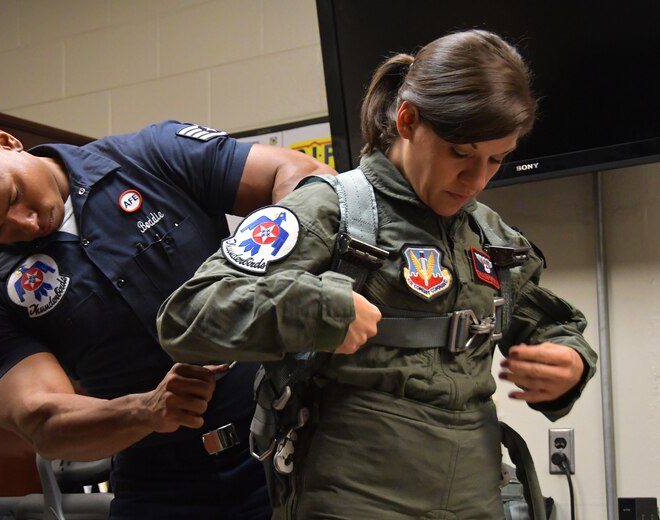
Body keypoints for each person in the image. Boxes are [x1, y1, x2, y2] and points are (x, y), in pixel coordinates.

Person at [157, 30, 598, 520]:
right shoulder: (330, 209)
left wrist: (569, 361)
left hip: (476, 490)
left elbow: (550, 322)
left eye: (495, 159)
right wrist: (312, 309)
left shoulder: (491, 237)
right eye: (461, 154)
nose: (476, 180)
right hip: (354, 491)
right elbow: (187, 316)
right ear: (407, 120)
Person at [0, 119, 335, 520]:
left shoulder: (151, 156)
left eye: (14, 196)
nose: (26, 224)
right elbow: (42, 421)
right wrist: (146, 409)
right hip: (162, 486)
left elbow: (301, 177)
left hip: (289, 442)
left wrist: (273, 278)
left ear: (6, 142)